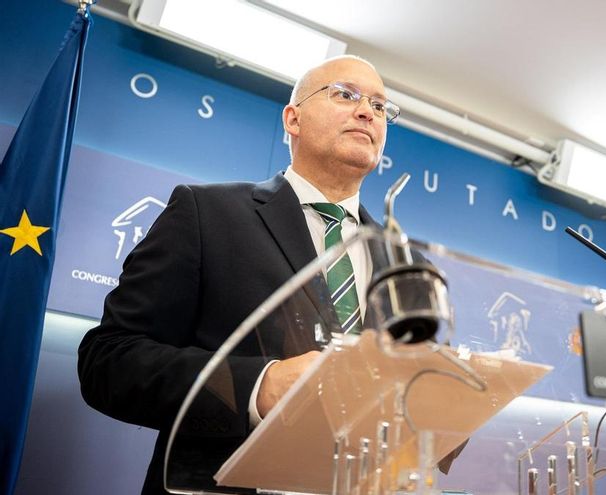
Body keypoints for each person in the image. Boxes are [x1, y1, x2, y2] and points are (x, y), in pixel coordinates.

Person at [78, 55, 400, 495]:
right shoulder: (205, 214)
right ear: (294, 119)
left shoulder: (400, 259)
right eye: (346, 95)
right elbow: (109, 361)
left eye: (380, 106)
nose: (368, 111)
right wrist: (259, 386)